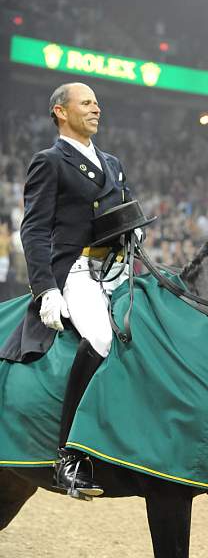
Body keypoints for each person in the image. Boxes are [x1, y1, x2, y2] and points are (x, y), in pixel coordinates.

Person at [0, 82, 133, 498]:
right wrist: (46, 289)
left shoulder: (111, 163)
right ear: (61, 111)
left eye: (97, 103)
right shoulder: (50, 161)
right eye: (87, 102)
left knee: (154, 329)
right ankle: (69, 457)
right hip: (74, 269)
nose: (97, 108)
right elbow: (35, 229)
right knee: (100, 336)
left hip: (116, 268)